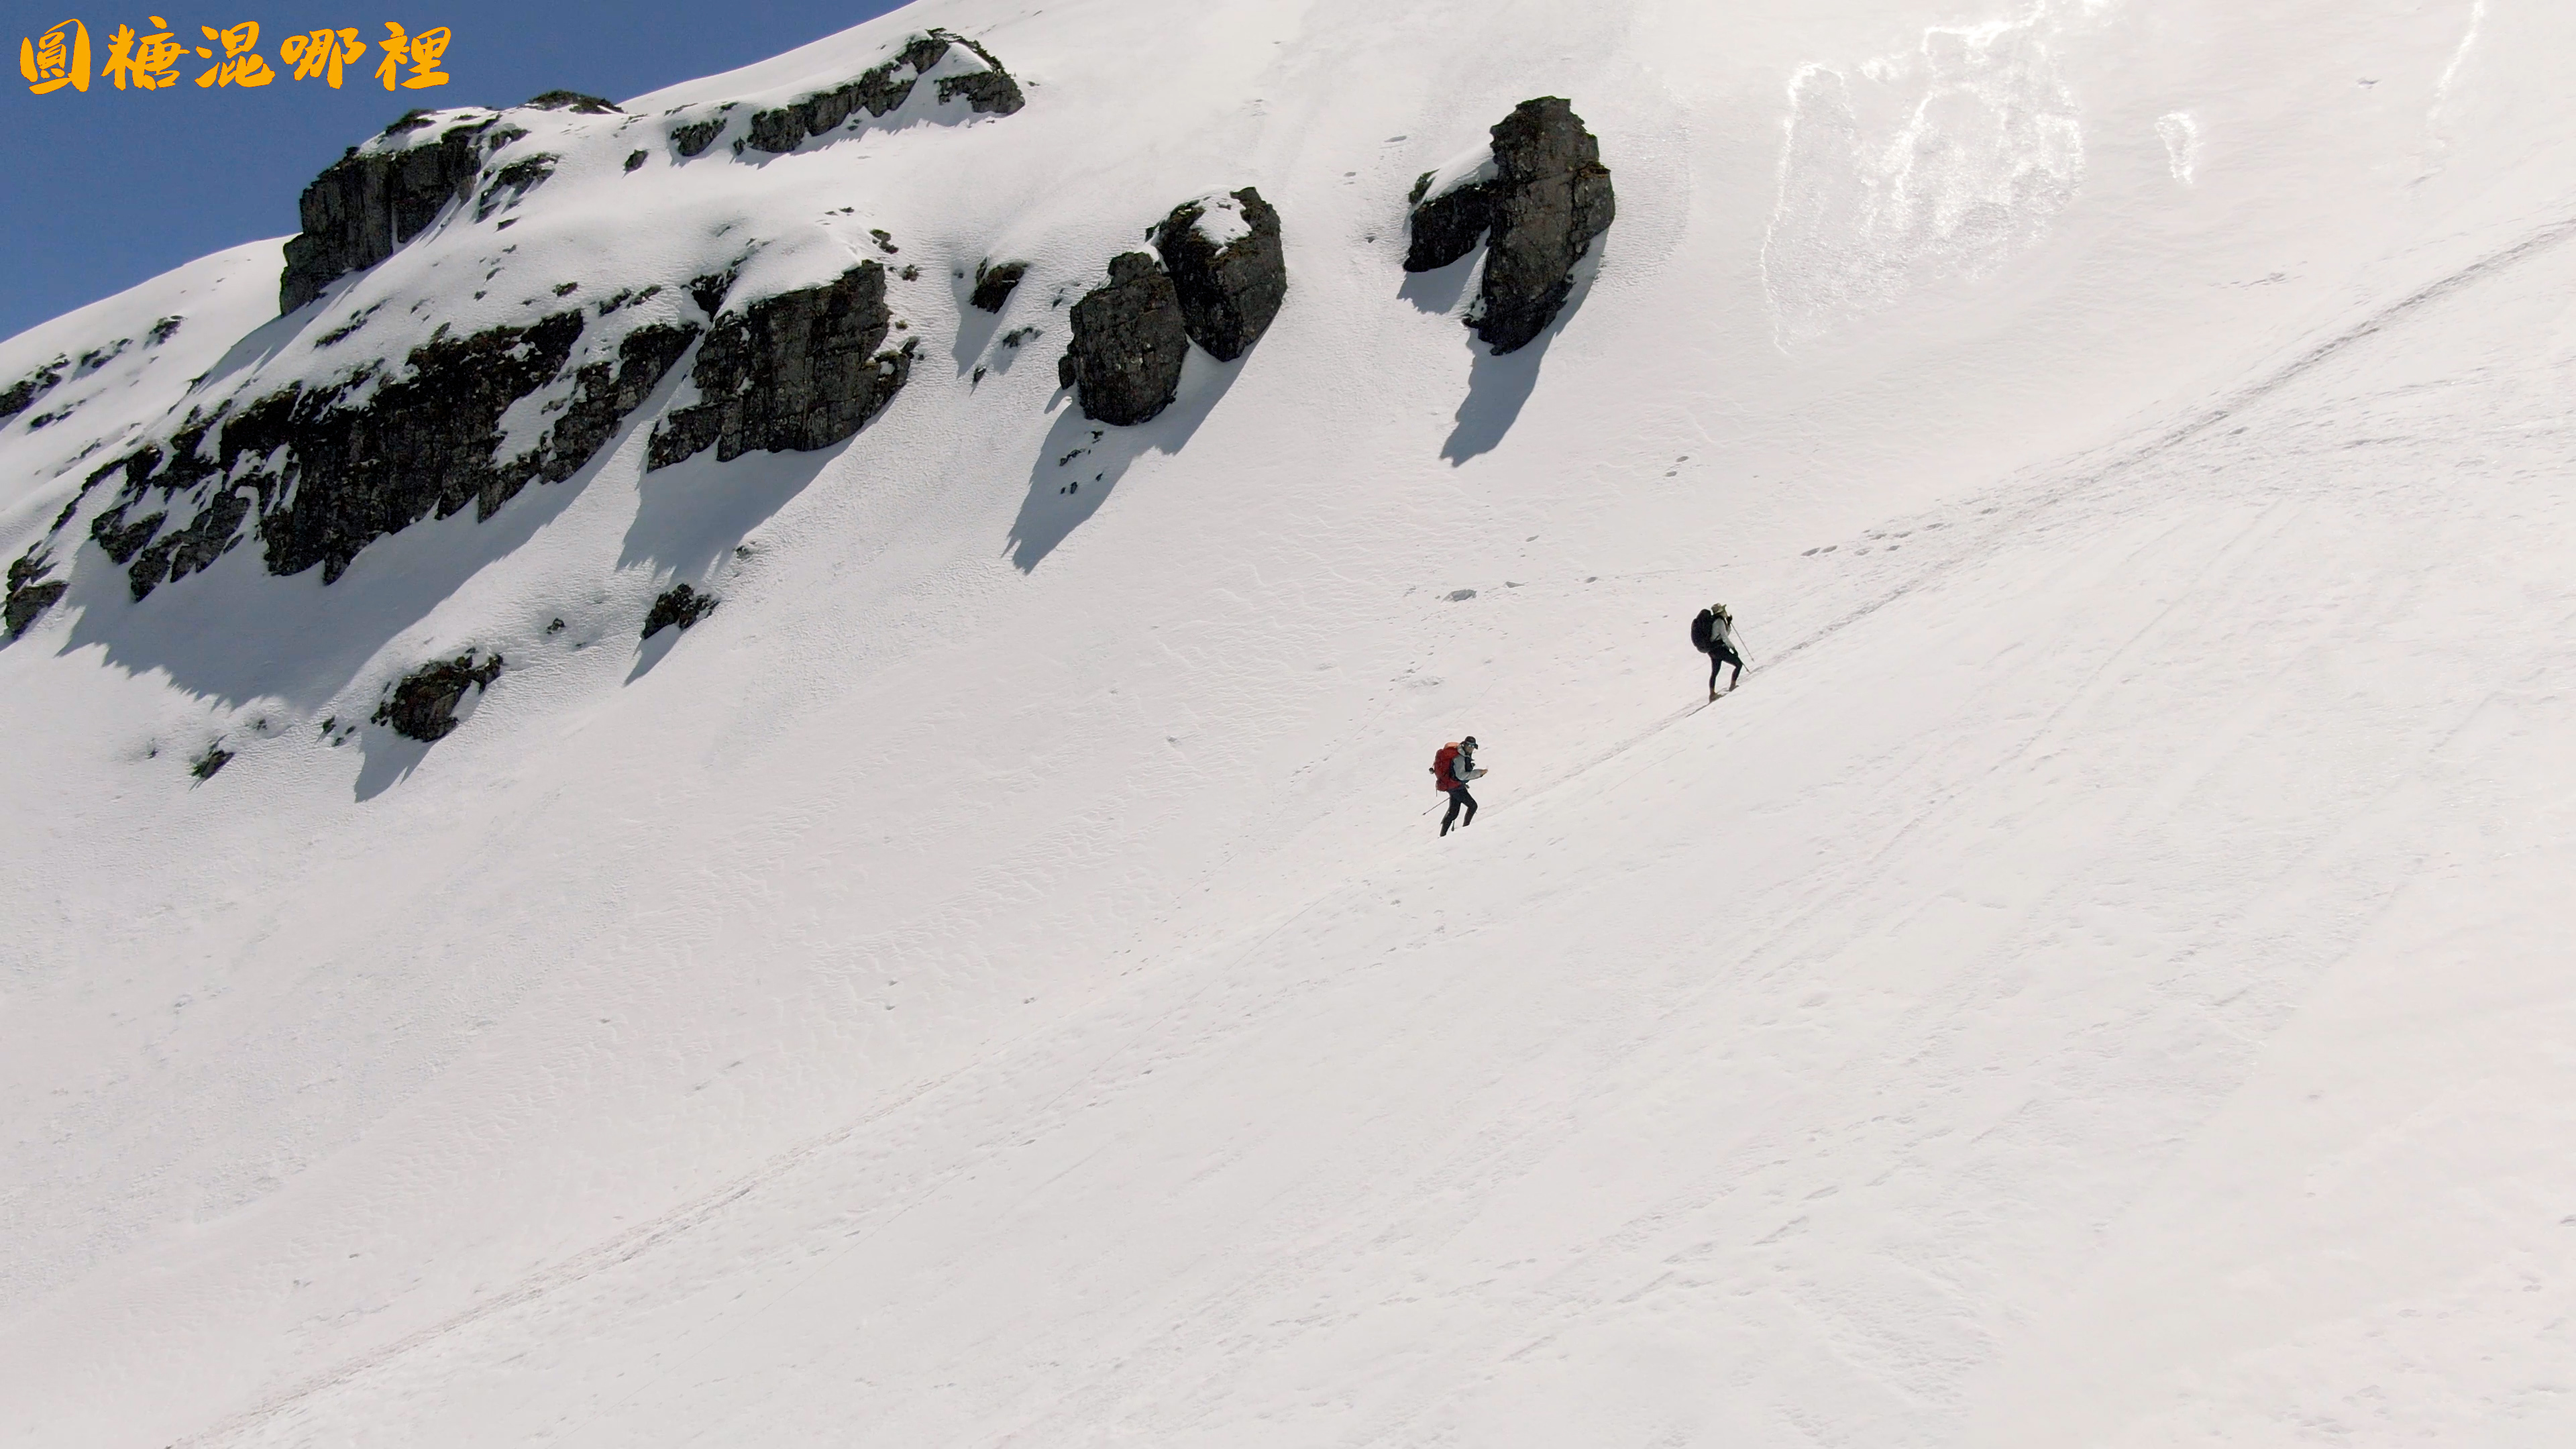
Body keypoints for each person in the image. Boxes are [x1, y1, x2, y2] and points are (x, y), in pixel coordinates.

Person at [1432, 735, 1485, 836]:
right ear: (1464, 744)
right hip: (1456, 787)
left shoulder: (1463, 754)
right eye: (1469, 745)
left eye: (1473, 746)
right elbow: (1461, 776)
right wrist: (1479, 773)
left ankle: (1442, 835)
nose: (1471, 748)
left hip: (1452, 786)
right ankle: (1466, 829)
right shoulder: (1460, 757)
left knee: (1453, 813)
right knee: (1473, 806)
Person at [1691, 602, 1743, 700]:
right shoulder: (1720, 621)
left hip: (1712, 650)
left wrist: (1728, 624)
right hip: (1720, 649)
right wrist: (1733, 648)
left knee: (1715, 673)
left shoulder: (1713, 621)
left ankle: (1712, 694)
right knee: (1739, 664)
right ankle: (1733, 686)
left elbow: (1722, 634)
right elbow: (1725, 637)